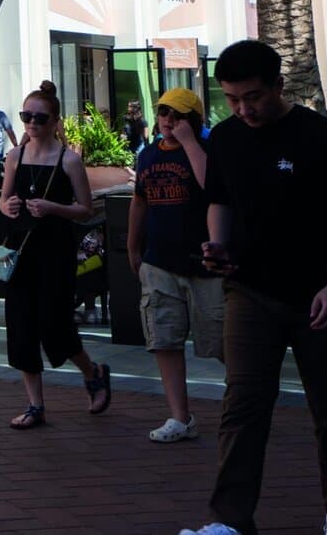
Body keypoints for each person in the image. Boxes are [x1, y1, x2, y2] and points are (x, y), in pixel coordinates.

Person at [178, 39, 327, 535]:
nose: (243, 109)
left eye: (253, 97)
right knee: (242, 405)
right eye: (232, 99)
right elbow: (217, 199)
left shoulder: (325, 139)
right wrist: (217, 245)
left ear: (279, 86)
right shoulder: (223, 138)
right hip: (249, 290)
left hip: (318, 295)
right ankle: (229, 521)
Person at [0, 83, 113, 428]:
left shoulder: (69, 160)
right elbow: (1, 199)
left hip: (55, 252)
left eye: (39, 117)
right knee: (21, 325)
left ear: (54, 121)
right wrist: (9, 206)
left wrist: (52, 208)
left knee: (55, 324)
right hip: (20, 250)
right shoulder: (15, 157)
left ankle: (92, 371)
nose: (32, 123)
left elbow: (85, 208)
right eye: (26, 116)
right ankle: (36, 405)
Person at [128, 87, 223, 444]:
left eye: (178, 115)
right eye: (165, 113)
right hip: (160, 261)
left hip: (203, 264)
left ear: (194, 120)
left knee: (220, 338)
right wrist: (132, 245)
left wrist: (190, 142)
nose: (169, 120)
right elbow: (140, 201)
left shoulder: (207, 150)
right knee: (164, 338)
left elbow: (210, 186)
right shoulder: (148, 155)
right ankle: (180, 416)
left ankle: (248, 397)